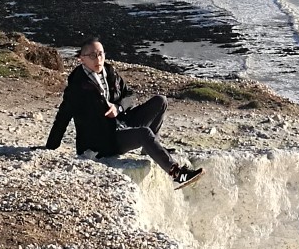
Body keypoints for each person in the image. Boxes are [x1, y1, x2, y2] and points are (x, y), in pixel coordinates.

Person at [45, 38, 202, 187]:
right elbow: (62, 118)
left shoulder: (110, 73)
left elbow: (130, 96)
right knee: (144, 133)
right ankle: (177, 175)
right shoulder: (77, 87)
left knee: (160, 101)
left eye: (101, 54)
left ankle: (150, 148)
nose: (98, 59)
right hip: (103, 141)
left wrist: (118, 107)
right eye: (92, 55)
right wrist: (49, 149)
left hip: (121, 123)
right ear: (81, 58)